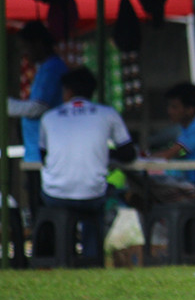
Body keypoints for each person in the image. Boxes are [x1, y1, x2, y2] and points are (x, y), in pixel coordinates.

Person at [38, 67, 136, 261]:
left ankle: (59, 256)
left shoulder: (49, 117)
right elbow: (128, 153)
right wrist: (102, 152)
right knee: (100, 198)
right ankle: (92, 258)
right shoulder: (107, 114)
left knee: (50, 199)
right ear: (92, 91)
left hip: (54, 195)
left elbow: (44, 156)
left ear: (67, 91)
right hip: (92, 195)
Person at [8, 22, 69, 216]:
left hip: (43, 154)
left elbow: (39, 107)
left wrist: (8, 106)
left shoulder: (53, 68)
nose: (26, 53)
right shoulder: (46, 68)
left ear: (39, 44)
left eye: (27, 47)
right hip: (36, 151)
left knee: (43, 211)